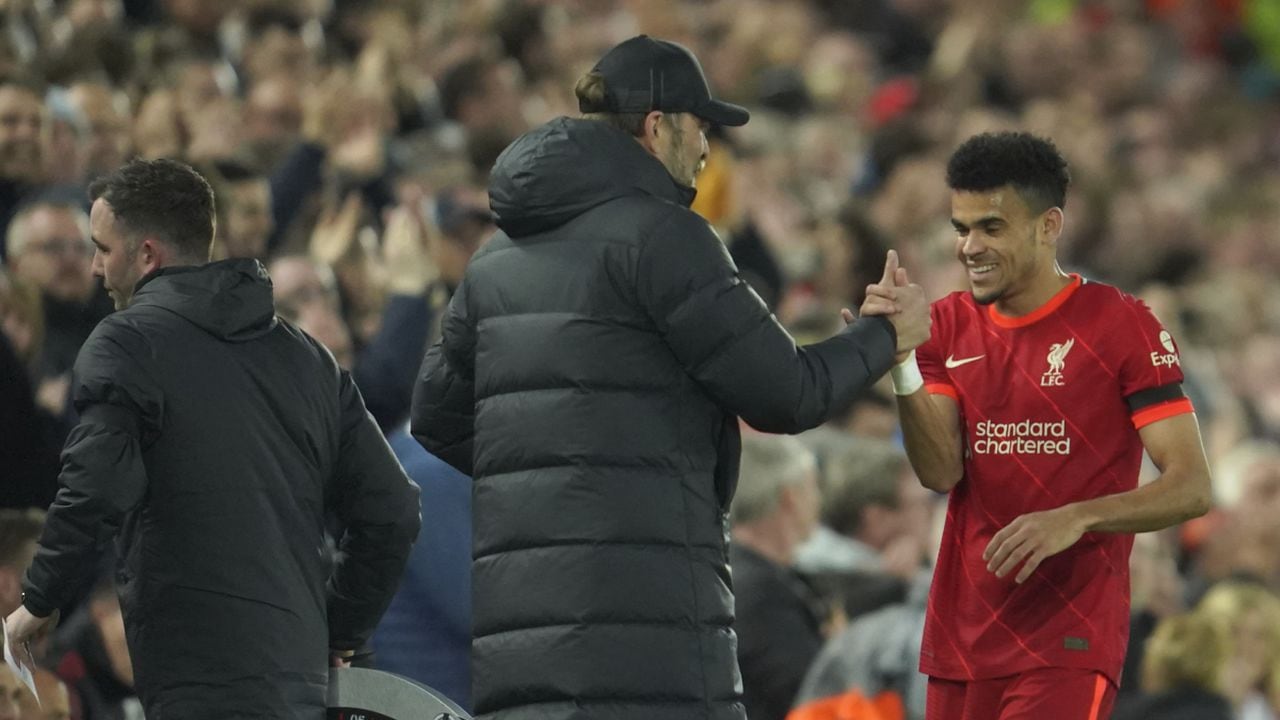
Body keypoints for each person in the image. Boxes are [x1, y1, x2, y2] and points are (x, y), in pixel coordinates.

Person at [412, 34, 930, 720]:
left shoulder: (495, 259)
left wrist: (562, 478)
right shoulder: (666, 237)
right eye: (701, 126)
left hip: (520, 649)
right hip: (649, 639)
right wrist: (886, 336)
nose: (709, 148)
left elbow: (436, 417)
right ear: (658, 126)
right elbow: (789, 392)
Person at [4, 158, 421, 719]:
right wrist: (336, 630)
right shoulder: (309, 357)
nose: (96, 269)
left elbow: (92, 487)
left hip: (198, 680)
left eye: (102, 248)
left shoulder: (125, 344)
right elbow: (392, 510)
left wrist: (38, 599)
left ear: (147, 254)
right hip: (301, 685)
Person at [868, 131, 1212, 719]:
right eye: (961, 228)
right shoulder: (946, 326)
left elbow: (1191, 486)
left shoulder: (1119, 324)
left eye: (991, 228)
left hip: (1069, 638)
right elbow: (940, 470)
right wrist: (901, 362)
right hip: (962, 636)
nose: (969, 247)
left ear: (1049, 225)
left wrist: (1078, 517)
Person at [729, 433, 827, 720]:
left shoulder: (732, 568)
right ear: (790, 497)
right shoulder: (763, 592)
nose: (818, 501)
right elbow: (809, 693)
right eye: (813, 487)